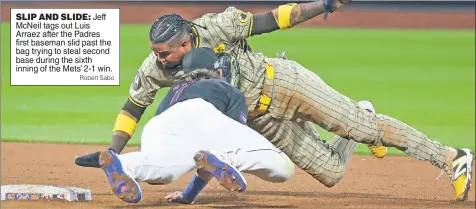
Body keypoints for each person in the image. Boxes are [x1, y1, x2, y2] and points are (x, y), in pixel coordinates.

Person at [78, 0, 473, 201]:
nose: (158, 59)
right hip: (261, 120)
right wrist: (111, 151)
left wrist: (322, 6)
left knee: (360, 127)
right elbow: (133, 107)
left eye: (164, 52)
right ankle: (362, 112)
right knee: (332, 173)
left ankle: (450, 156)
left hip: (283, 83)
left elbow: (273, 19)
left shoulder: (217, 25)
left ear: (185, 42)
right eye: (155, 52)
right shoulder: (154, 68)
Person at [76, 48, 296, 204]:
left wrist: (188, 196)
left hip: (159, 124)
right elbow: (223, 138)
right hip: (203, 114)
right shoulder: (224, 86)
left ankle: (123, 164)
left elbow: (193, 148)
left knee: (162, 169)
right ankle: (229, 159)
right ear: (218, 71)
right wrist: (197, 184)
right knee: (281, 167)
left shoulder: (174, 91)